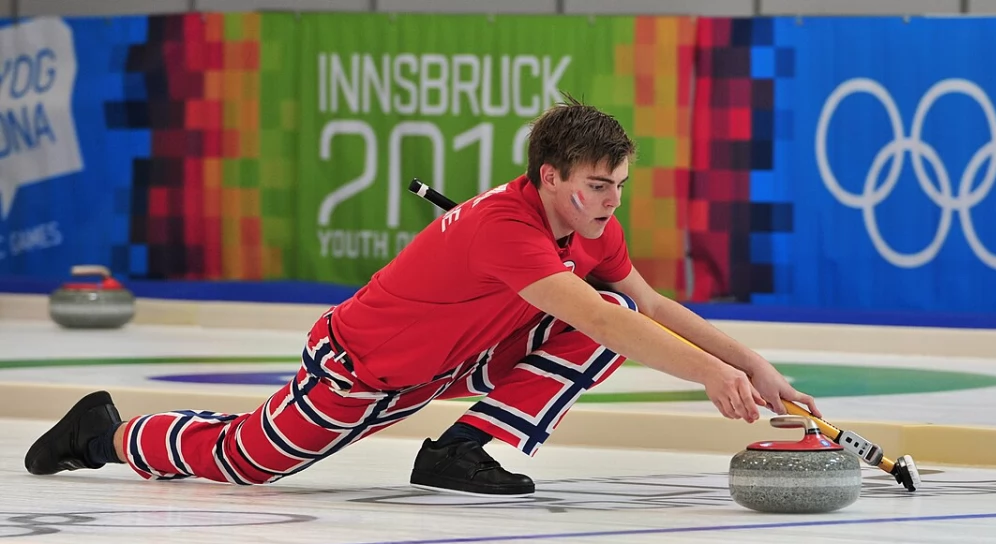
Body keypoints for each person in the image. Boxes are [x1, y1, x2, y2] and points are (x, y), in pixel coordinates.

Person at [24, 97, 820, 497]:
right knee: (243, 461)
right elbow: (594, 316)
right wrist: (711, 378)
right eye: (596, 187)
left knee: (615, 318)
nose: (611, 201)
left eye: (618, 186)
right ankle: (106, 433)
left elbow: (644, 306)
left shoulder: (588, 225)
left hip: (455, 365)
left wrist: (751, 362)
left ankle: (457, 451)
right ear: (550, 177)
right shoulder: (506, 228)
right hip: (364, 366)